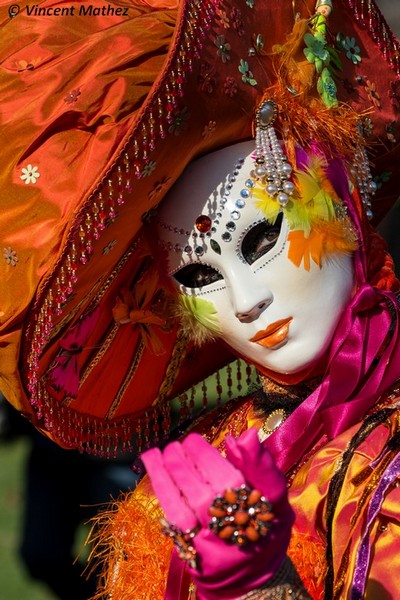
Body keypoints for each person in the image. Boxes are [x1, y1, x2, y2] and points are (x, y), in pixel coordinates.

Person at [0, 0, 400, 599]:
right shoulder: (218, 447)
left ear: (339, 200)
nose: (245, 302)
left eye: (263, 238)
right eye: (197, 276)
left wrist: (267, 588)